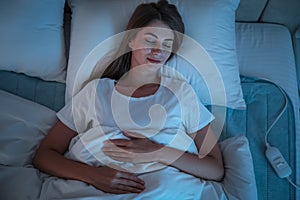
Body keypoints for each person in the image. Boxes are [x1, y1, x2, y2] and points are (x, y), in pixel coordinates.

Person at [33, 0, 225, 199]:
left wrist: (157, 151)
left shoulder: (181, 93)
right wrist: (94, 176)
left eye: (167, 44)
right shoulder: (96, 91)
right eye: (150, 41)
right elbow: (45, 155)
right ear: (131, 40)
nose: (158, 51)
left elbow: (215, 168)